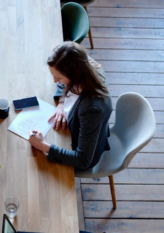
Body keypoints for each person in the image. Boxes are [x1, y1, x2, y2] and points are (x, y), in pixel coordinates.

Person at [29, 41, 113, 170]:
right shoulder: (83, 64)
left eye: (58, 78)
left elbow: (83, 160)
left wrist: (43, 146)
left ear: (75, 75)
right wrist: (62, 103)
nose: (55, 81)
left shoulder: (92, 109)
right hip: (74, 128)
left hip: (80, 153)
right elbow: (63, 84)